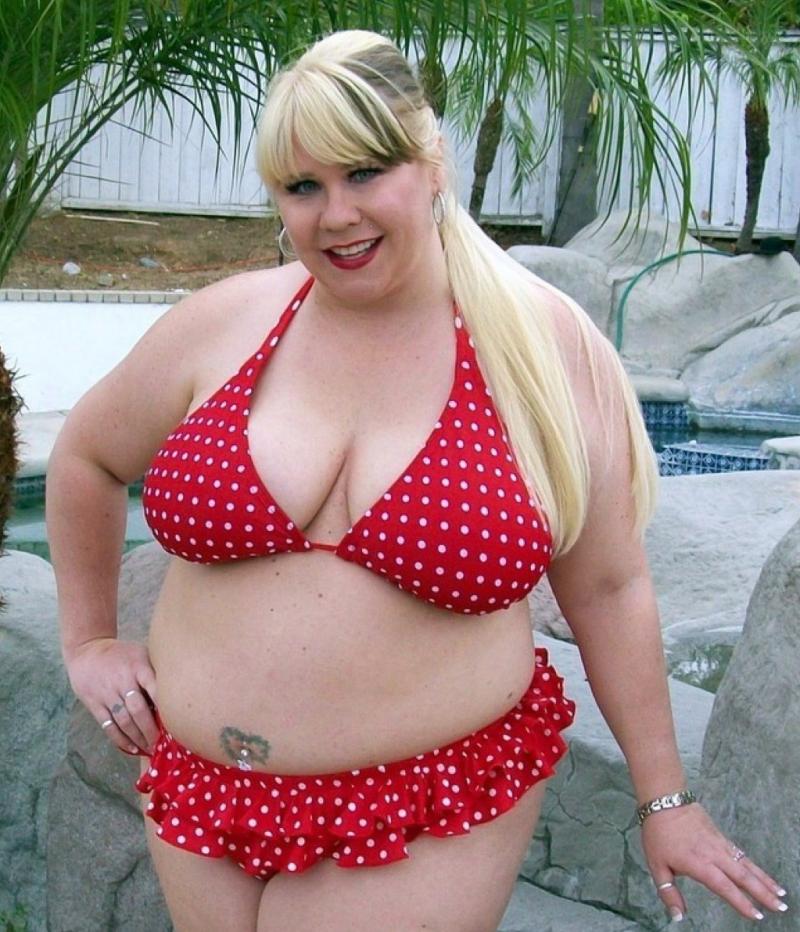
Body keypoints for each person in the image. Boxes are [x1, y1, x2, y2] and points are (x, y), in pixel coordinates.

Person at [46, 29, 787, 932]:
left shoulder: (538, 346)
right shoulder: (224, 322)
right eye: (303, 187)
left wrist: (664, 799)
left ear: (432, 161)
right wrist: (89, 641)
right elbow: (86, 457)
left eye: (365, 173)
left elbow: (608, 586)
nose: (336, 215)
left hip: (424, 810)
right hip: (202, 796)